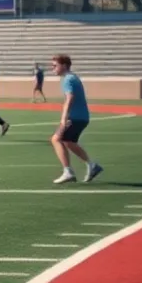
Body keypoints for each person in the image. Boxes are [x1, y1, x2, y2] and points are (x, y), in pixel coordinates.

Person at [51, 54, 103, 185]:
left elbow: (70, 98)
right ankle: (92, 165)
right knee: (68, 141)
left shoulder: (68, 79)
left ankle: (68, 171)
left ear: (64, 65)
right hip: (82, 117)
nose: (53, 69)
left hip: (75, 117)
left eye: (55, 66)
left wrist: (64, 118)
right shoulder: (73, 78)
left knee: (56, 139)